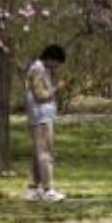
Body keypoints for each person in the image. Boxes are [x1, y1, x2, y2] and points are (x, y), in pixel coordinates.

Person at [23, 45, 68, 202]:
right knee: (46, 153)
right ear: (50, 58)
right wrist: (58, 89)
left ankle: (33, 188)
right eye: (57, 62)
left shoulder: (42, 69)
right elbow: (40, 95)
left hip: (41, 116)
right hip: (40, 117)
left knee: (38, 154)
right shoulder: (38, 70)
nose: (57, 66)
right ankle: (48, 189)